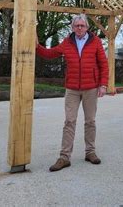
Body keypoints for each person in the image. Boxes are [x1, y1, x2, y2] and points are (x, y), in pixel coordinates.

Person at [36, 14, 109, 172]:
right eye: (77, 26)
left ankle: (90, 152)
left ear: (87, 27)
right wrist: (37, 46)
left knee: (90, 121)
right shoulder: (67, 42)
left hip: (91, 88)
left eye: (82, 26)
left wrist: (103, 84)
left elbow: (103, 64)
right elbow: (51, 53)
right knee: (69, 121)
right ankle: (64, 157)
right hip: (72, 89)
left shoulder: (95, 41)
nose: (80, 28)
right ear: (72, 27)